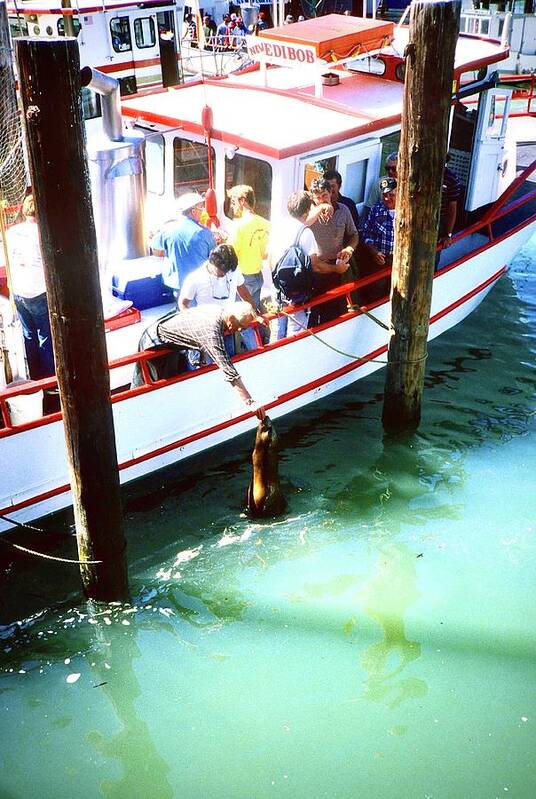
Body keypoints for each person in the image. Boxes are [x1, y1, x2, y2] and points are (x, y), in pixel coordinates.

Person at [133, 301, 266, 417]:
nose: (240, 330)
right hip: (155, 343)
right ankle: (140, 410)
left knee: (174, 376)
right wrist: (250, 402)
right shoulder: (212, 331)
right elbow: (228, 369)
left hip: (174, 343)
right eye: (241, 326)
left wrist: (256, 318)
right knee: (153, 383)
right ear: (230, 319)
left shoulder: (221, 311)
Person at [270, 191, 347, 340]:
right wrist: (337, 269)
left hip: (279, 288)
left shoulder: (278, 227)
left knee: (277, 329)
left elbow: (269, 258)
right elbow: (316, 266)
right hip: (297, 293)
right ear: (307, 210)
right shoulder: (305, 233)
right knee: (295, 331)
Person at [5, 194, 55, 380]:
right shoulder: (43, 233)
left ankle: (35, 378)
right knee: (45, 336)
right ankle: (50, 380)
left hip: (18, 291)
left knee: (29, 336)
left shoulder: (12, 232)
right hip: (37, 292)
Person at [178, 244, 258, 355]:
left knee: (230, 358)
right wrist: (196, 325)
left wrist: (255, 313)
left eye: (227, 271)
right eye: (222, 271)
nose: (225, 273)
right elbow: (183, 304)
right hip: (209, 331)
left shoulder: (233, 271)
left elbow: (244, 292)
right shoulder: (194, 278)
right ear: (212, 262)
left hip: (229, 327)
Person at [308, 177, 359, 325]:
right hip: (315, 271)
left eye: (325, 195)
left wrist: (349, 248)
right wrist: (318, 210)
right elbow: (302, 223)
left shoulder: (343, 210)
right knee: (313, 313)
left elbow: (354, 234)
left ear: (331, 193)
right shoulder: (309, 214)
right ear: (312, 198)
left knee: (334, 312)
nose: (322, 200)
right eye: (318, 198)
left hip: (337, 269)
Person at [151, 192, 216, 299]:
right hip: (199, 284)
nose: (203, 211)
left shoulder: (166, 228)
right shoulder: (204, 233)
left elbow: (157, 252)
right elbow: (213, 257)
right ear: (193, 211)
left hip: (176, 285)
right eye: (201, 208)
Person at [227, 185, 270, 314]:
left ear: (242, 200)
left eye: (234, 202)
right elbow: (265, 254)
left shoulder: (238, 226)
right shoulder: (265, 224)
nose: (232, 206)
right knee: (253, 314)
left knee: (242, 319)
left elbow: (231, 253)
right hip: (257, 276)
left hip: (243, 279)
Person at [359, 176, 396, 302]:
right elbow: (366, 233)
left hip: (399, 261)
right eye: (385, 195)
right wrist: (374, 252)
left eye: (391, 195)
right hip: (379, 260)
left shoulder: (408, 211)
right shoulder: (376, 209)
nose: (387, 199)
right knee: (374, 294)